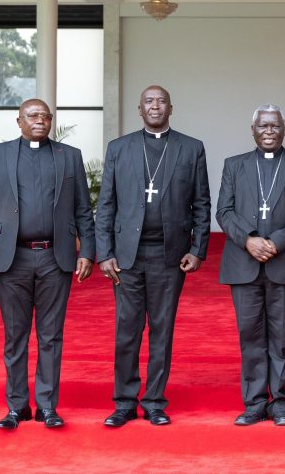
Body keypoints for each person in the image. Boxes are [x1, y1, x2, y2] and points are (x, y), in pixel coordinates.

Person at [0, 99, 95, 429]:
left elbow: (84, 209)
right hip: (14, 258)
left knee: (51, 336)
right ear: (19, 121)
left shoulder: (69, 156)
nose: (39, 121)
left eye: (45, 116)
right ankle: (16, 407)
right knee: (16, 336)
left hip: (57, 257)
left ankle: (47, 407)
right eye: (32, 116)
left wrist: (87, 252)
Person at [95, 85, 211, 427]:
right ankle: (124, 402)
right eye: (149, 101)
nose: (155, 106)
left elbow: (202, 203)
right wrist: (105, 253)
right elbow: (106, 205)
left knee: (162, 330)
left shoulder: (191, 149)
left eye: (161, 101)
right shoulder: (120, 148)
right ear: (139, 109)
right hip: (127, 256)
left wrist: (198, 248)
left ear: (171, 108)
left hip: (169, 255)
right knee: (127, 330)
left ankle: (155, 401)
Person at [216, 104, 285, 427]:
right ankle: (255, 402)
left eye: (275, 126)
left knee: (284, 336)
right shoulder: (234, 166)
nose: (269, 131)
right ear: (253, 130)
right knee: (250, 335)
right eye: (263, 126)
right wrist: (248, 239)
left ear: (284, 130)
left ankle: (282, 403)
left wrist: (276, 242)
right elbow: (224, 211)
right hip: (243, 262)